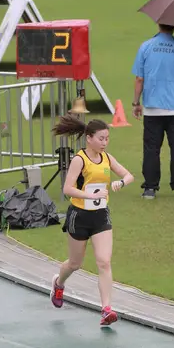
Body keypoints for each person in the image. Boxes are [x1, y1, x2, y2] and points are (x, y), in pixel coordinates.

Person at [50, 114, 134, 326]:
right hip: (79, 216)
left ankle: (106, 309)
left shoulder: (107, 158)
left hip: (101, 216)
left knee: (104, 262)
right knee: (75, 263)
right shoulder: (80, 160)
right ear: (89, 138)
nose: (105, 143)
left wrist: (120, 183)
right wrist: (89, 195)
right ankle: (59, 283)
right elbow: (67, 189)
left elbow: (128, 175)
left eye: (107, 139)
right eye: (101, 139)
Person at [131, 24, 174, 200]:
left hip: (152, 108)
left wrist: (136, 102)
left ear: (158, 24)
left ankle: (150, 188)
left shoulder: (146, 46)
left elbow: (139, 78)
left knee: (151, 149)